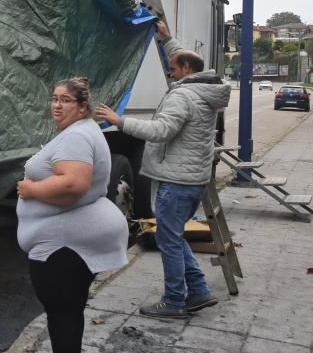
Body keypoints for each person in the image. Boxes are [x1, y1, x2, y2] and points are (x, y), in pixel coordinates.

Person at [95, 21, 231, 320]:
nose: (170, 72)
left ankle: (173, 301)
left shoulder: (183, 96)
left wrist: (120, 122)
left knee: (168, 241)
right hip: (191, 178)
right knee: (174, 237)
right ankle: (198, 292)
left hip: (177, 181)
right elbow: (187, 59)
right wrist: (168, 40)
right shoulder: (204, 87)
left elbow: (161, 130)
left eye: (172, 67)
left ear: (184, 69)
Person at [16, 77, 129, 353]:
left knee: (62, 310)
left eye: (65, 100)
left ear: (82, 106)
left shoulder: (77, 136)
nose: (56, 105)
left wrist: (29, 189)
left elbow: (72, 186)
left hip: (66, 243)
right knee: (68, 309)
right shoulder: (83, 131)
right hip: (73, 237)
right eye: (54, 98)